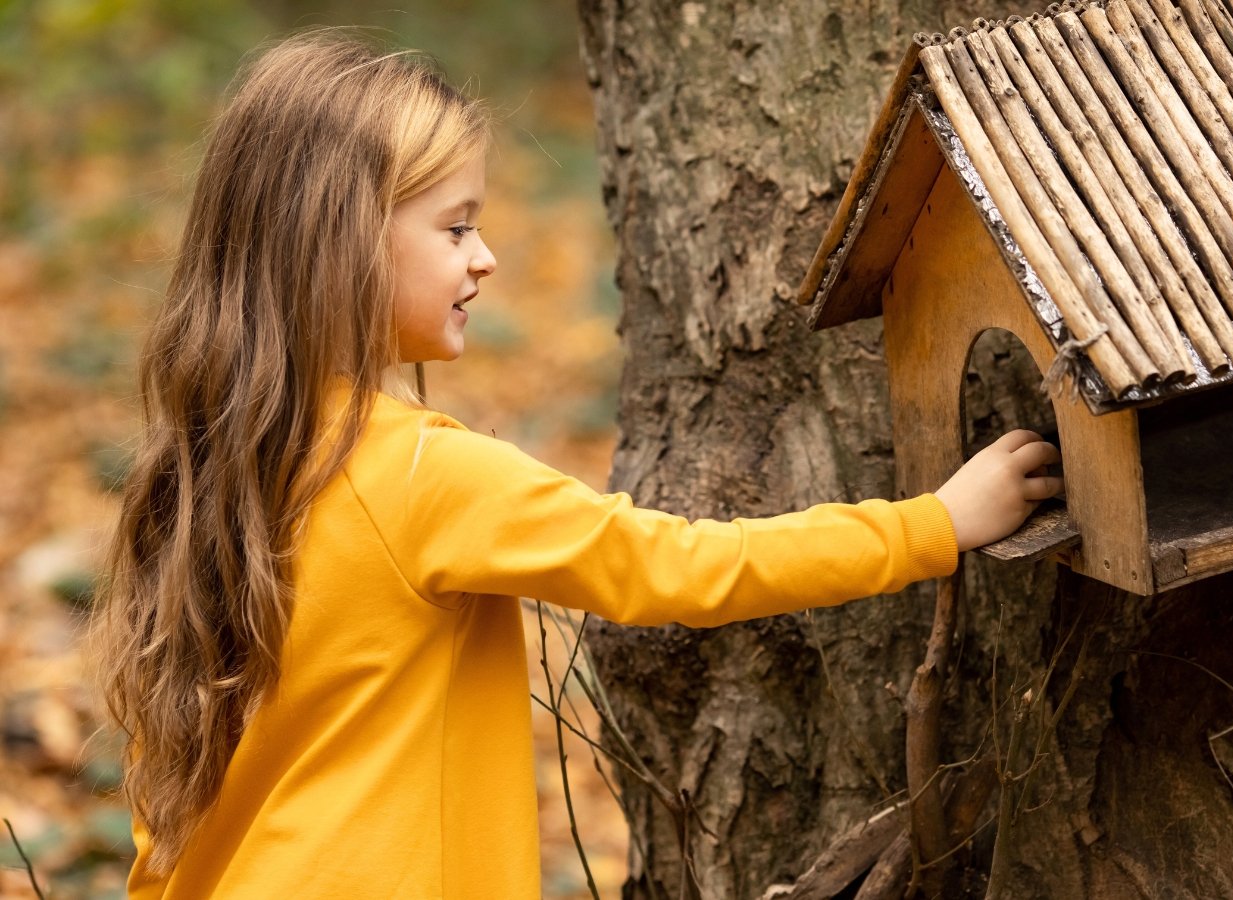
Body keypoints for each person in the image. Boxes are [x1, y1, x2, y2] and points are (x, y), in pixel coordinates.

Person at [89, 29, 1063, 898]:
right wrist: (933, 524)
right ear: (336, 239)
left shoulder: (205, 471)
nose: (486, 259)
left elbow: (165, 788)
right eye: (455, 226)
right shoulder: (418, 475)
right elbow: (671, 566)